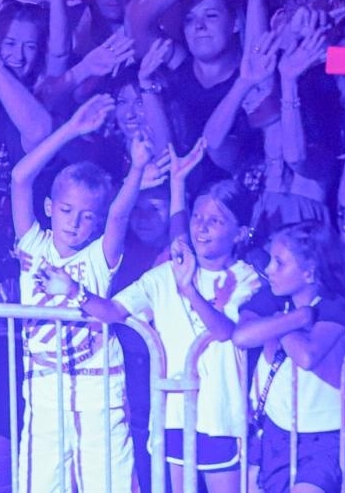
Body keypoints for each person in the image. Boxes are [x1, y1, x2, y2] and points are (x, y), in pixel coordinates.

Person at [83, 158, 262, 493]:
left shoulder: (245, 278)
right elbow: (113, 310)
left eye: (215, 220)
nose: (202, 227)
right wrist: (76, 293)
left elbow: (224, 332)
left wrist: (189, 290)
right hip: (173, 415)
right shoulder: (163, 275)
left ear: (240, 233)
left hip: (220, 417)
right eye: (198, 218)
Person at [10, 93, 151, 493]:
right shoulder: (33, 246)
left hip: (98, 392)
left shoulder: (98, 257)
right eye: (68, 211)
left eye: (87, 216)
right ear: (51, 207)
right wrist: (71, 128)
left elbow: (121, 213)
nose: (75, 224)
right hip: (43, 390)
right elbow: (21, 179)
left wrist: (137, 169)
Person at [231, 222, 345, 493]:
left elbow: (308, 355)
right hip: (276, 430)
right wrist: (294, 319)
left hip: (324, 436)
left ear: (309, 271)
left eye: (279, 263)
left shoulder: (335, 305)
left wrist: (278, 325)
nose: (268, 270)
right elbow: (242, 336)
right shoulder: (273, 300)